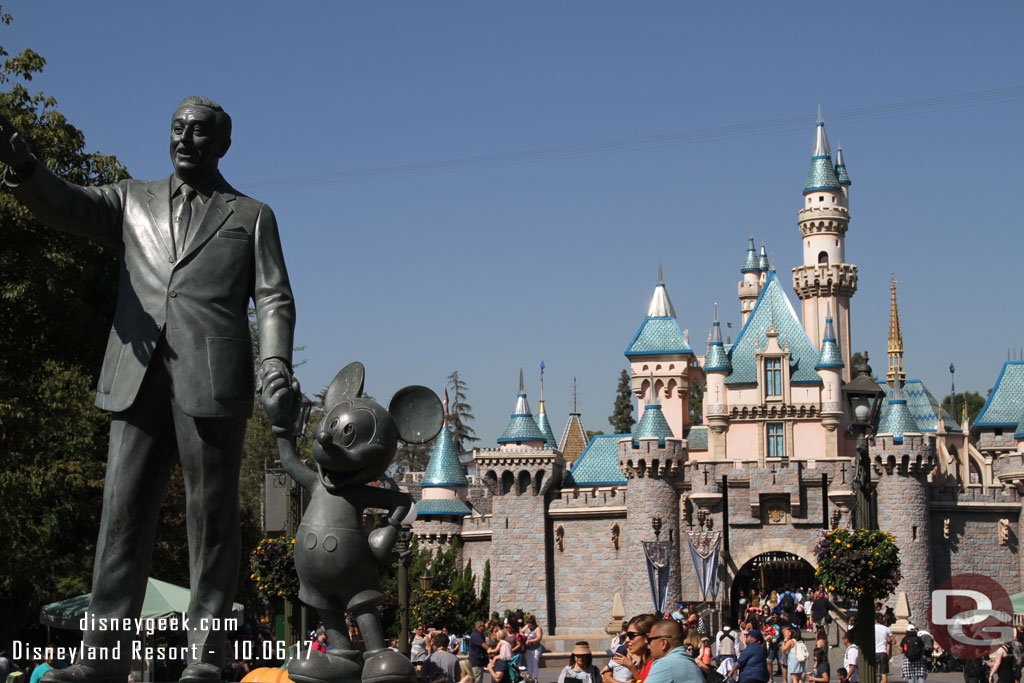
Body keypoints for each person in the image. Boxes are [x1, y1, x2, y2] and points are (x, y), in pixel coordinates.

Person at [0, 99, 296, 683]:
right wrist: (27, 167)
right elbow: (67, 206)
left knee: (211, 521)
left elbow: (274, 297)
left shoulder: (252, 214)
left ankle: (205, 659)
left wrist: (276, 365)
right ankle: (103, 660)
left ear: (224, 145)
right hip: (134, 374)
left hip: (213, 379)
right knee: (121, 515)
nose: (187, 139)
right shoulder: (129, 199)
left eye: (201, 132)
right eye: (178, 128)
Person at [607, 614, 658, 683]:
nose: (627, 640)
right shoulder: (643, 661)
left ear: (646, 638)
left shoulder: (655, 663)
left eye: (632, 635)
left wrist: (631, 666)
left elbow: (642, 681)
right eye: (627, 635)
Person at [873, 613, 893, 683]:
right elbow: (894, 641)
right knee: (884, 673)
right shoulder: (886, 629)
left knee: (873, 673)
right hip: (883, 652)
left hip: (874, 653)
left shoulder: (871, 628)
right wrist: (888, 642)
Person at [523, 616, 543, 682]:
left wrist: (530, 641)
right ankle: (529, 677)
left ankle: (535, 678)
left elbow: (539, 638)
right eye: (528, 625)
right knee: (528, 663)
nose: (529, 627)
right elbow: (521, 631)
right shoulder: (527, 626)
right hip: (528, 648)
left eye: (530, 626)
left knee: (535, 663)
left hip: (535, 648)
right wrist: (522, 637)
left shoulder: (538, 628)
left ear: (534, 624)